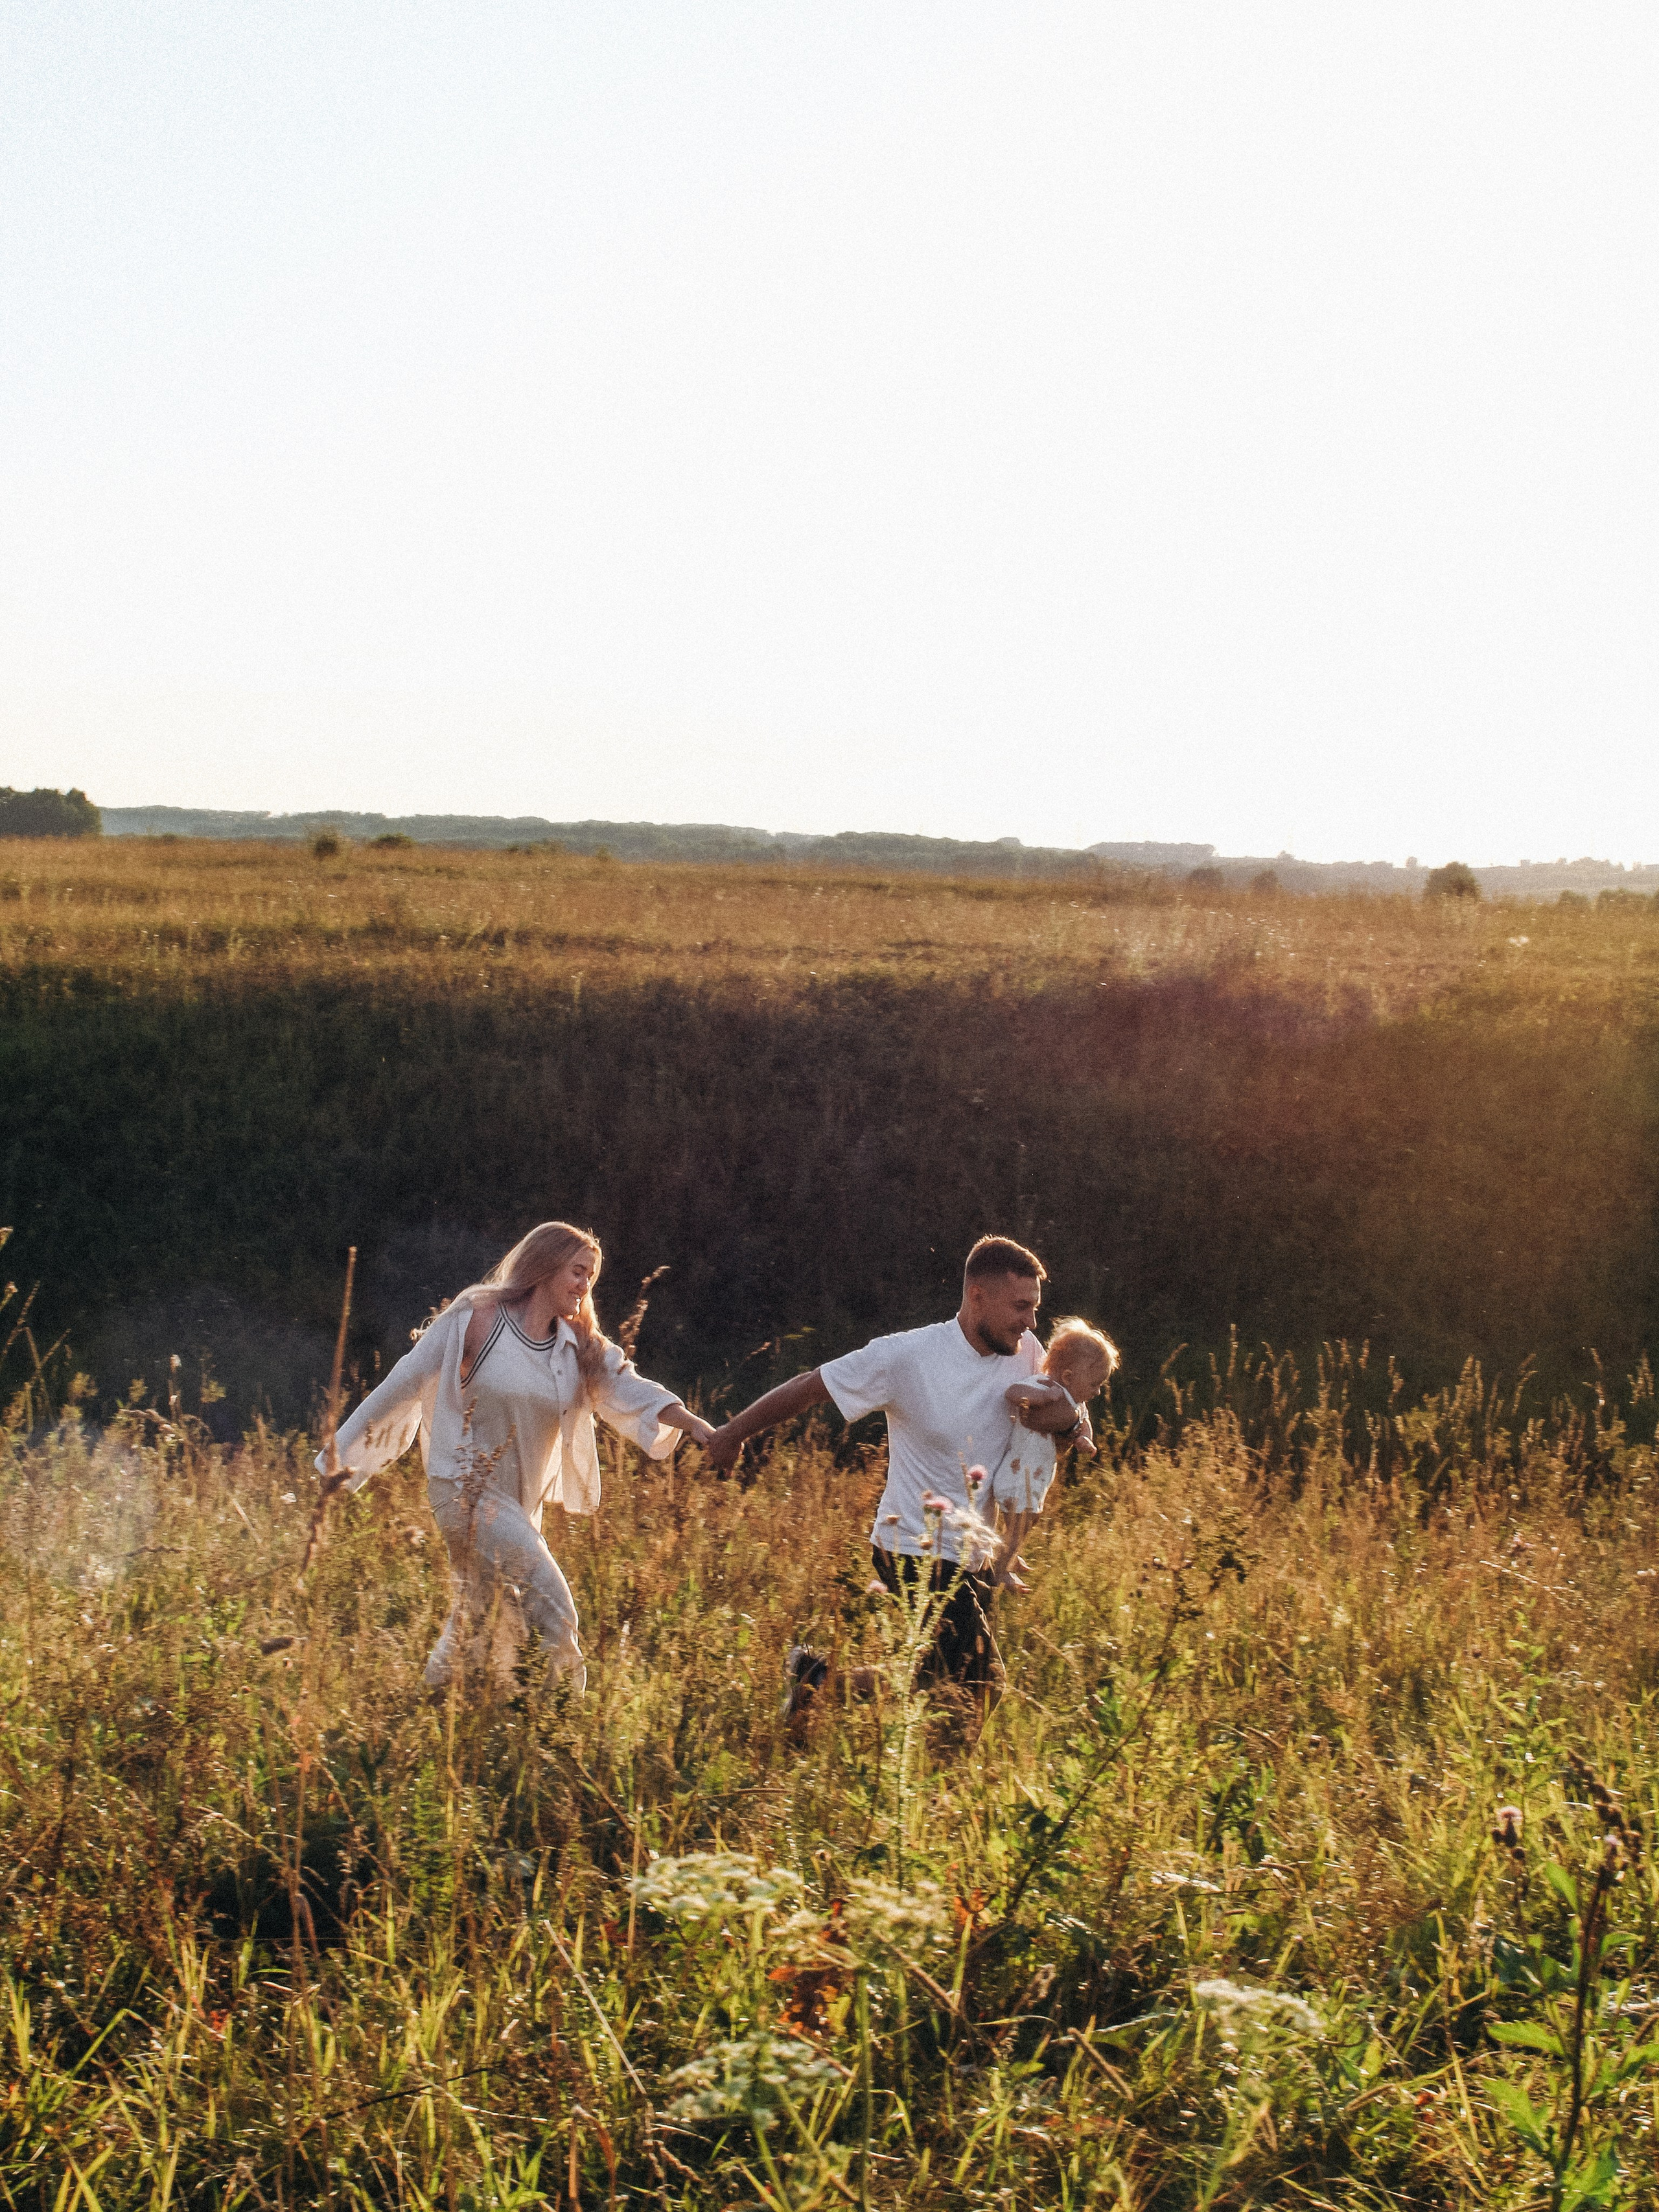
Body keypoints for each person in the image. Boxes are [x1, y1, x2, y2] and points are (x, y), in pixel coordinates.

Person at [318, 1221, 713, 1694]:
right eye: (577, 1271)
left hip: (519, 1504)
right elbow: (405, 1380)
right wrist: (340, 1461)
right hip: (463, 1489)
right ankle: (562, 1719)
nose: (585, 1284)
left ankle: (430, 1701)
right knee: (553, 1602)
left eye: (592, 1276)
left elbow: (631, 1388)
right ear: (545, 1266)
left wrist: (693, 1424)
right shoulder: (477, 1317)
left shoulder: (579, 1346)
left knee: (482, 1615)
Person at [705, 1235, 1088, 1706]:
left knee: (933, 1678)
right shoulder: (907, 1356)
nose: (1031, 1322)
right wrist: (732, 1434)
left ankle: (816, 1685)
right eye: (1021, 1307)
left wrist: (1068, 1423)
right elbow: (810, 1387)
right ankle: (939, 1776)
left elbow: (1065, 1418)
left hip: (974, 1554)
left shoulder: (1026, 1351)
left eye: (1035, 1309)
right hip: (912, 1544)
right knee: (980, 1685)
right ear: (977, 1296)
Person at [992, 1318, 1119, 1590]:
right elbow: (1012, 1392)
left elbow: (1085, 1424)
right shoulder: (1046, 1386)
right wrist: (1038, 1398)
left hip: (1036, 1477)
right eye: (1095, 1384)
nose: (1097, 1391)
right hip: (1019, 1472)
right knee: (1019, 1524)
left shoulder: (1077, 1402)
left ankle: (1007, 1555)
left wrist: (1086, 1439)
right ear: (1068, 1377)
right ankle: (1000, 1569)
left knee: (1026, 1522)